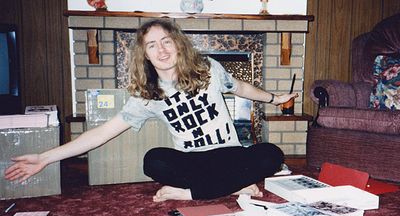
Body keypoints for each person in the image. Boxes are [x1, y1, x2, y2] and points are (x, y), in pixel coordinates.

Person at [4, 19, 297, 202]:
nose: (162, 50)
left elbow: (242, 88)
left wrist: (275, 98)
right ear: (145, 54)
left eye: (167, 41)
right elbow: (102, 133)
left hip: (229, 154)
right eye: (152, 45)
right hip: (192, 162)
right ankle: (232, 187)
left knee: (271, 154)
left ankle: (191, 194)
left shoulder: (208, 69)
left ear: (178, 45)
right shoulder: (147, 96)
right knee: (153, 161)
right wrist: (44, 157)